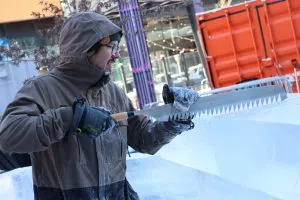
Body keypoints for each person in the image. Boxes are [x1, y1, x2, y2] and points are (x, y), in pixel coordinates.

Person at [0, 12, 194, 200]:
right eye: (112, 47)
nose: (117, 55)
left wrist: (172, 122)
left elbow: (144, 137)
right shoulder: (42, 89)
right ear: (86, 49)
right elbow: (8, 136)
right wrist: (71, 119)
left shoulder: (114, 93)